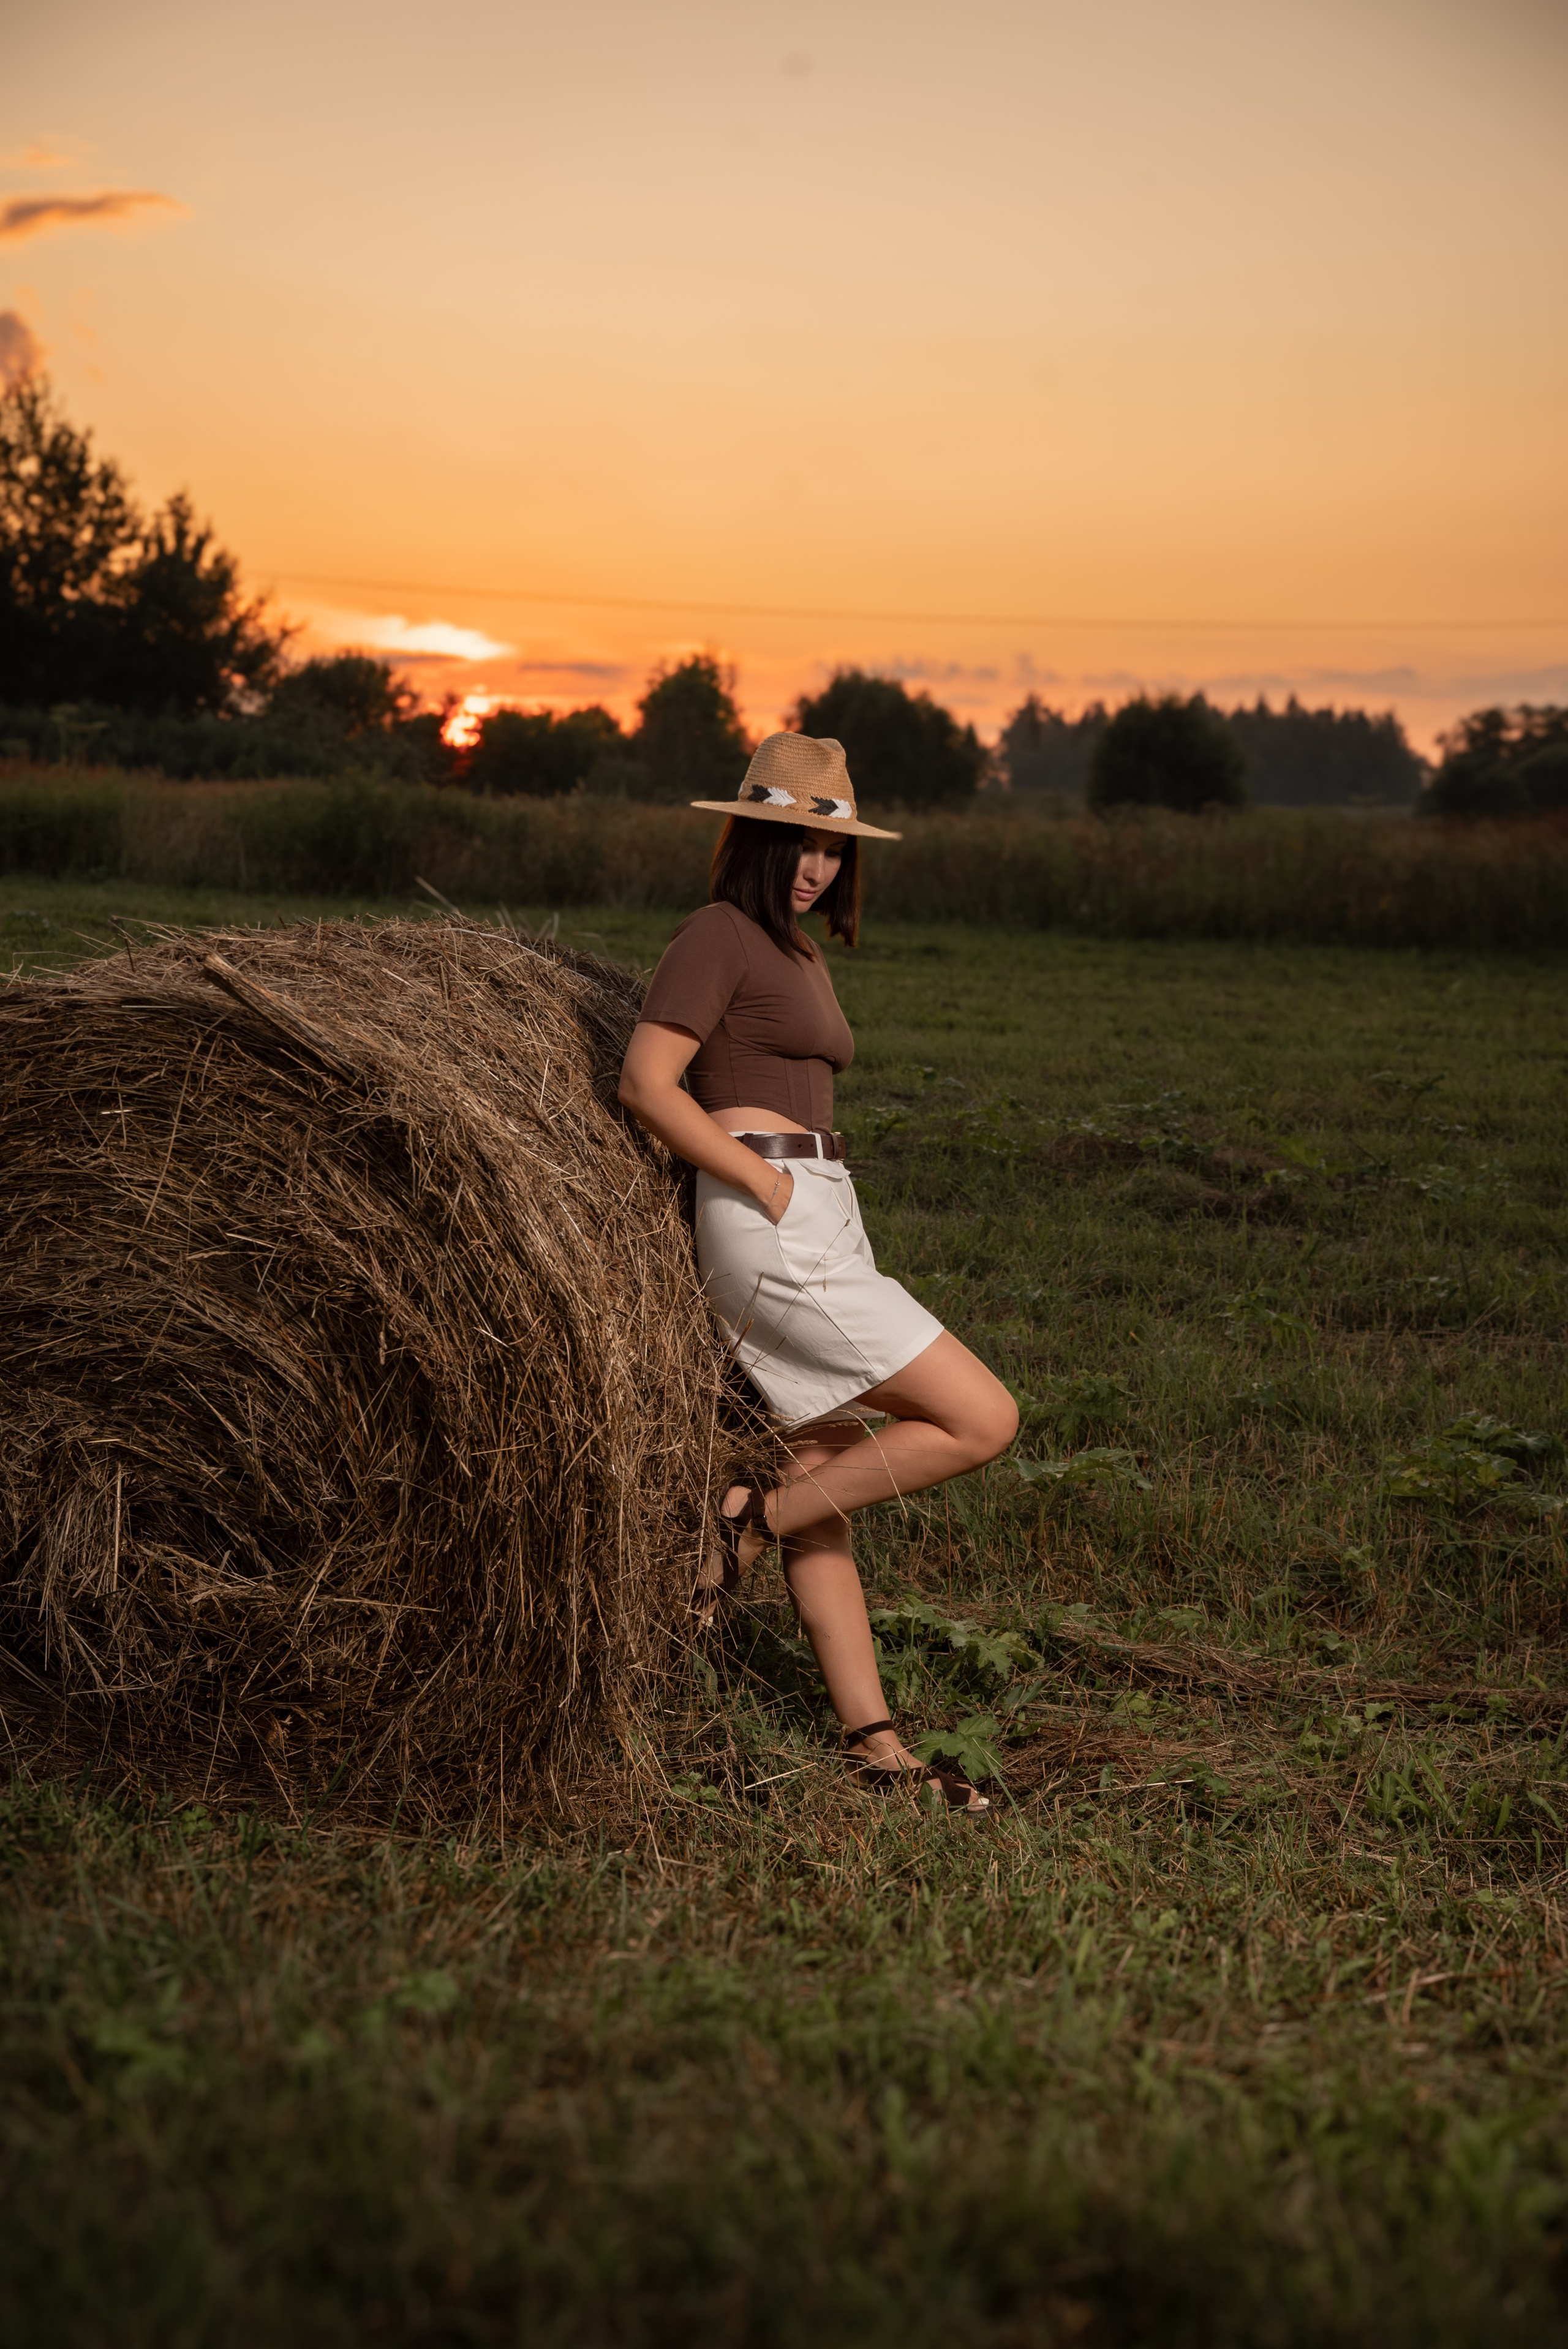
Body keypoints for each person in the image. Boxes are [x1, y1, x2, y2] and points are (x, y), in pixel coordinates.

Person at [617, 731, 1019, 1814]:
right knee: (982, 1419)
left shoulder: (796, 951)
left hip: (825, 1213)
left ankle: (875, 1747)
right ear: (752, 833)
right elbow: (649, 1084)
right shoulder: (716, 934)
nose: (814, 866)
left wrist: (810, 1197)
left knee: (825, 1476)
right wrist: (762, 1181)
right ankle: (741, 1521)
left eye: (831, 851)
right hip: (770, 1212)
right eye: (796, 842)